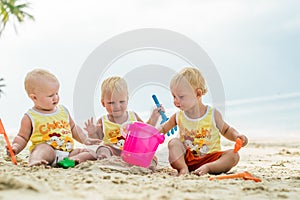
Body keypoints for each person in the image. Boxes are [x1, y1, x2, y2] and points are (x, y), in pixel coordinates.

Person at [159, 67, 248, 176]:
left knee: (234, 156)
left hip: (211, 158)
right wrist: (151, 133)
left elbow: (226, 129)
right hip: (188, 159)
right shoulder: (178, 116)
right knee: (173, 143)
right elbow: (163, 129)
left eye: (181, 97)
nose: (176, 101)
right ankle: (183, 168)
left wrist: (237, 136)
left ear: (198, 94)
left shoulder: (212, 114)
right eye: (174, 96)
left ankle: (208, 168)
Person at [8, 69, 100, 167]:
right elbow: (22, 137)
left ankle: (71, 160)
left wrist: (85, 139)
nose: (56, 98)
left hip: (68, 152)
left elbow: (73, 128)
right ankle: (36, 160)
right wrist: (16, 147)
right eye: (51, 95)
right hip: (47, 153)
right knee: (42, 149)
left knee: (92, 152)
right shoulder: (30, 117)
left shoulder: (63, 111)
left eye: (57, 93)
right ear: (34, 98)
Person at [84, 76, 163, 170]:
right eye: (111, 103)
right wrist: (92, 132)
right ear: (103, 103)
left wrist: (154, 117)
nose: (117, 106)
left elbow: (145, 132)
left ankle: (147, 167)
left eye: (121, 101)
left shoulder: (133, 116)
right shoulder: (103, 120)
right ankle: (105, 159)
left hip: (133, 152)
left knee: (152, 157)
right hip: (113, 151)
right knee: (102, 149)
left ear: (127, 99)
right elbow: (97, 140)